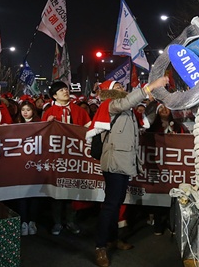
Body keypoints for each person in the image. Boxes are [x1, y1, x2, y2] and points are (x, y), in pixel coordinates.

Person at [86, 76, 168, 267]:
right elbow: (128, 101)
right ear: (108, 91)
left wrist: (155, 100)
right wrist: (151, 86)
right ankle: (100, 247)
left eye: (122, 85)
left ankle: (112, 239)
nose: (121, 87)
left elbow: (143, 117)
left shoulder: (128, 111)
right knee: (110, 204)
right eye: (117, 86)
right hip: (114, 162)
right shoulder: (110, 104)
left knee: (116, 203)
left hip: (124, 162)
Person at [42, 80, 91, 236]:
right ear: (54, 95)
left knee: (72, 189)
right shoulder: (49, 112)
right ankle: (57, 222)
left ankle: (70, 220)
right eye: (61, 90)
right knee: (57, 191)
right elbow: (42, 135)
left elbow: (89, 130)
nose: (65, 91)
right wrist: (47, 125)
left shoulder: (79, 111)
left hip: (75, 156)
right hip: (56, 157)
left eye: (66, 89)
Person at [14, 99, 41, 236]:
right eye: (23, 110)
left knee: (34, 195)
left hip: (35, 165)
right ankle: (23, 222)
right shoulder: (15, 125)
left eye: (28, 110)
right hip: (20, 166)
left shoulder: (41, 125)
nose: (25, 112)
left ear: (33, 111)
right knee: (22, 195)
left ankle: (32, 221)